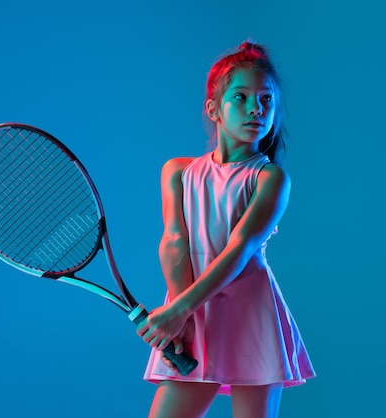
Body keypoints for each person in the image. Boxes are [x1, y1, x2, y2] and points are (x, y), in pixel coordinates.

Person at [136, 41, 315, 418]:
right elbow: (174, 242)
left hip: (251, 315)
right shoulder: (178, 172)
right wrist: (180, 313)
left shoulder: (270, 178)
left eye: (266, 100)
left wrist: (181, 309)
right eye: (242, 97)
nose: (256, 109)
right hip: (191, 308)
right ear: (214, 109)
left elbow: (239, 249)